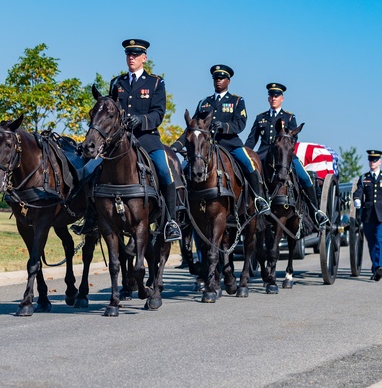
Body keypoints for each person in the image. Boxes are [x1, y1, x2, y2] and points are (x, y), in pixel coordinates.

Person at [109, 39, 182, 242]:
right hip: (120, 140)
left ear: (144, 58)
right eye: (128, 54)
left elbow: (159, 113)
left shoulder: (156, 83)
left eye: (135, 54)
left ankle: (171, 222)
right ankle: (91, 218)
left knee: (166, 174)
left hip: (147, 138)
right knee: (92, 169)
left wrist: (140, 120)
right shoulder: (117, 83)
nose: (131, 58)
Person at [172, 65, 270, 214]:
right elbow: (193, 127)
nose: (218, 81)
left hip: (230, 144)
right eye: (216, 78)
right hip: (207, 146)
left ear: (228, 81)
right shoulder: (204, 102)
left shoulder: (237, 101)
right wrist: (177, 146)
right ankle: (182, 206)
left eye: (221, 78)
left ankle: (259, 199)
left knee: (249, 164)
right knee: (185, 166)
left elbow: (240, 123)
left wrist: (224, 126)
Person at [244, 82, 320, 214]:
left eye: (277, 96)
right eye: (271, 96)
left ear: (282, 98)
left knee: (306, 178)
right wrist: (246, 153)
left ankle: (315, 212)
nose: (274, 98)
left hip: (285, 156)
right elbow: (252, 140)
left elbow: (293, 139)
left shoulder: (289, 117)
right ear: (268, 98)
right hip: (263, 154)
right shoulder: (260, 118)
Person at [351, 149, 382, 282]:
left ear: (379, 162)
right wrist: (356, 198)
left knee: (380, 240)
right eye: (370, 160)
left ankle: (379, 267)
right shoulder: (364, 177)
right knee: (371, 243)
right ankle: (375, 268)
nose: (372, 162)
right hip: (368, 215)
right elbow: (359, 191)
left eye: (375, 160)